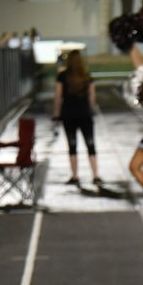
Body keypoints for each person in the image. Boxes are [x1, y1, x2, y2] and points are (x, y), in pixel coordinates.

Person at [53, 51, 100, 186]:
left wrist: (56, 114)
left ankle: (75, 175)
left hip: (68, 114)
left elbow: (58, 97)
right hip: (85, 114)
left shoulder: (62, 76)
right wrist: (92, 110)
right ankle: (95, 175)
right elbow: (92, 97)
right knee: (90, 144)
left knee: (72, 145)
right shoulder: (87, 76)